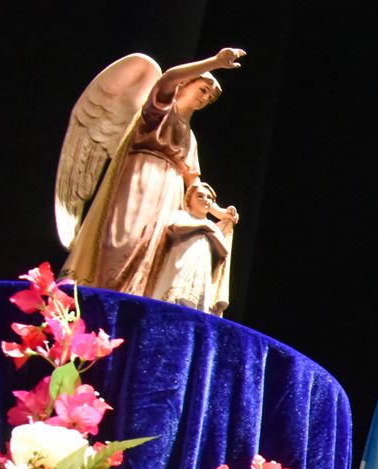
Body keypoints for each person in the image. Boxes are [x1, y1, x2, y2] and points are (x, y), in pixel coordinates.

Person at [62, 49, 246, 296]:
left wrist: (217, 211)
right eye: (203, 89)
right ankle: (102, 294)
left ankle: (130, 300)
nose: (205, 97)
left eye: (210, 96)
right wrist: (215, 62)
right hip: (141, 179)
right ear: (186, 84)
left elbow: (193, 181)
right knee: (123, 240)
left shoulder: (190, 137)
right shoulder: (159, 111)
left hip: (170, 192)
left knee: (153, 250)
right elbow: (168, 79)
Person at [147, 181, 237, 314]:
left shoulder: (211, 225)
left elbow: (224, 251)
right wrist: (202, 226)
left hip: (201, 269)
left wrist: (210, 230)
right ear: (189, 199)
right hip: (181, 263)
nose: (205, 200)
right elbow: (176, 227)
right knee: (174, 296)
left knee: (195, 300)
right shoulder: (183, 215)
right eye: (200, 196)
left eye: (209, 198)